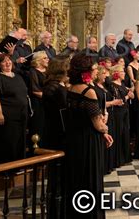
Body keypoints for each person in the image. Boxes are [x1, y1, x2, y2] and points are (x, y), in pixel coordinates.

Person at [65, 53, 111, 219]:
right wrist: (105, 130)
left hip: (74, 139)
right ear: (85, 70)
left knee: (78, 177)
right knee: (91, 177)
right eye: (93, 69)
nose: (95, 71)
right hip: (89, 140)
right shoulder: (89, 91)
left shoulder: (70, 88)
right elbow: (97, 123)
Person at [41, 56, 69, 218]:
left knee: (57, 176)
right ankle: (57, 210)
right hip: (59, 134)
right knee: (57, 176)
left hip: (53, 132)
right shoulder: (57, 89)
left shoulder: (52, 86)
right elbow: (64, 112)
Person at [0, 53, 28, 163]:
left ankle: (19, 166)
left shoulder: (18, 76)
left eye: (9, 60)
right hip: (8, 116)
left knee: (20, 141)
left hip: (21, 115)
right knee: (8, 142)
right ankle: (6, 169)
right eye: (4, 61)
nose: (8, 63)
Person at [42, 56, 69, 150]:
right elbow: (61, 107)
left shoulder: (59, 84)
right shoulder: (52, 86)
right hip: (56, 127)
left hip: (62, 126)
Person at [110, 65, 133, 166]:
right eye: (122, 72)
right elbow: (119, 101)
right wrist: (128, 96)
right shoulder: (113, 85)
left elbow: (129, 96)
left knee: (125, 133)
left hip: (125, 111)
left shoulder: (122, 84)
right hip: (118, 113)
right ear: (116, 73)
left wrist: (130, 95)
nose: (124, 73)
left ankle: (125, 157)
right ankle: (118, 158)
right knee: (119, 133)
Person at [28, 51, 49, 149]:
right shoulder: (33, 72)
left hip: (47, 103)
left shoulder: (48, 71)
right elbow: (35, 90)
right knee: (39, 127)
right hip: (38, 103)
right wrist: (49, 96)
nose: (48, 59)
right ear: (38, 60)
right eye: (45, 58)